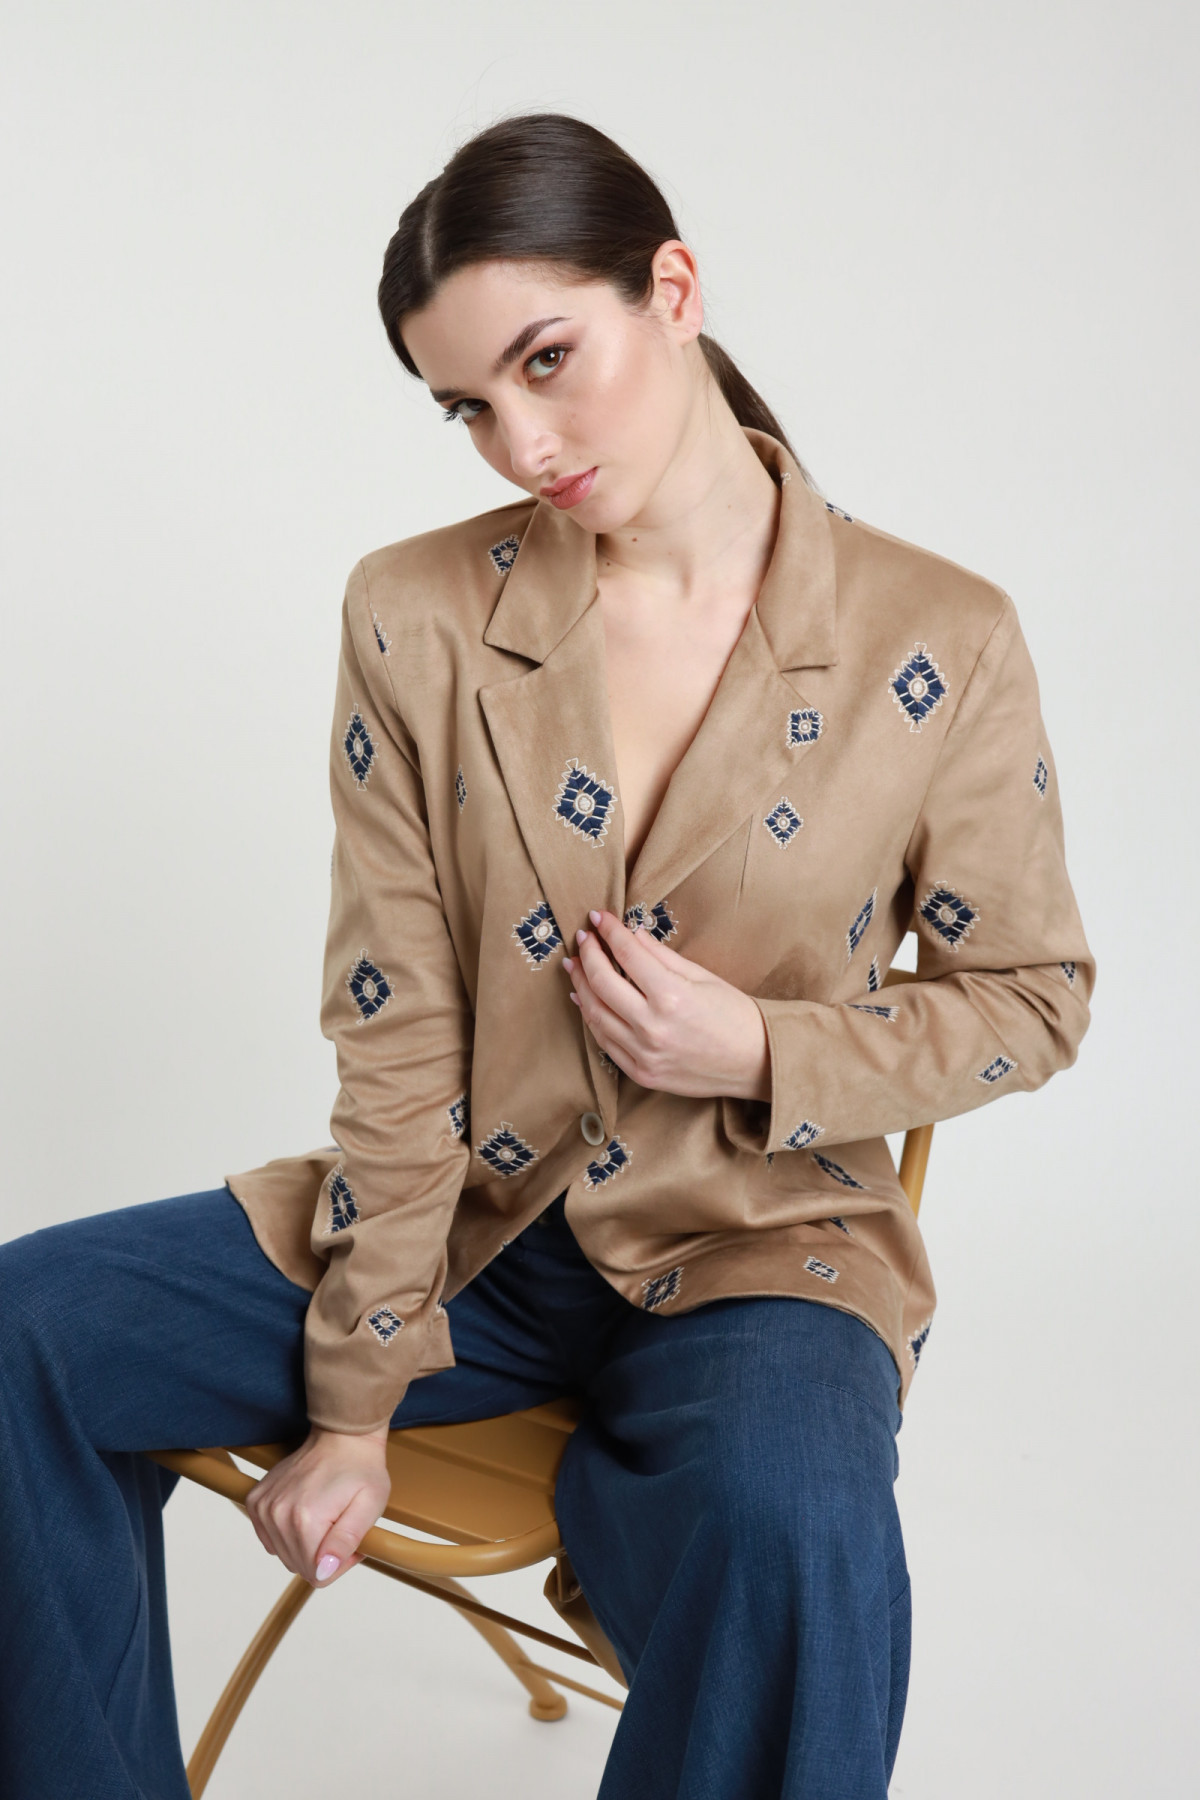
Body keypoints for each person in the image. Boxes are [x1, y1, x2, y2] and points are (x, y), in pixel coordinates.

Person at [0, 113, 1094, 1799]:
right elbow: (396, 1016)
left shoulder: (938, 638)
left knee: (797, 1526)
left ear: (674, 290)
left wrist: (766, 1054)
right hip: (460, 1226)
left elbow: (1033, 997)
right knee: (27, 1332)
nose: (519, 442)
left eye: (546, 360)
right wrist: (356, 1397)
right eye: (466, 406)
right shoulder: (414, 614)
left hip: (763, 1251)